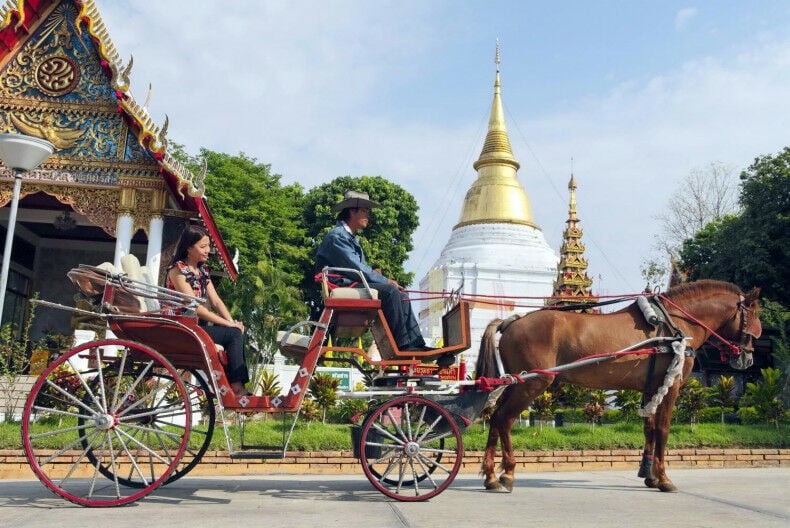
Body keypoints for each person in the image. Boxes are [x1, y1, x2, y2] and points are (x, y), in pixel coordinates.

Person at [315, 190, 432, 352]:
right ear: (352, 211)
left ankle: (416, 343)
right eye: (365, 211)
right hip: (342, 284)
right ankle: (403, 345)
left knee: (402, 295)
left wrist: (376, 276)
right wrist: (384, 280)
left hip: (353, 281)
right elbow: (355, 267)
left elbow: (358, 267)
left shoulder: (349, 237)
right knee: (390, 290)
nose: (367, 216)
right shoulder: (338, 237)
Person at [167, 225, 250, 396]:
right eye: (203, 247)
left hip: (199, 326)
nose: (208, 250)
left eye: (208, 246)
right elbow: (196, 307)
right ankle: (236, 387)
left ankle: (233, 384)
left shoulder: (203, 271)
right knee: (233, 334)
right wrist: (229, 325)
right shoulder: (178, 270)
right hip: (183, 326)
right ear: (189, 248)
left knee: (236, 332)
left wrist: (233, 322)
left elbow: (217, 301)